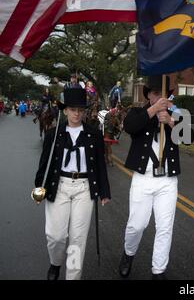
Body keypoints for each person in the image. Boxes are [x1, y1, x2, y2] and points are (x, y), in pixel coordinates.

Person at [34, 88, 111, 280]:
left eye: (80, 109)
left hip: (84, 188)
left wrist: (104, 191)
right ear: (65, 110)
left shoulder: (93, 134)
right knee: (56, 236)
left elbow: (101, 165)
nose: (77, 113)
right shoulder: (54, 134)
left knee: (77, 239)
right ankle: (55, 263)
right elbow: (44, 163)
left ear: (84, 111)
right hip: (58, 186)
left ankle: (72, 276)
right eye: (72, 109)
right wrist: (38, 186)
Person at [118, 75, 180, 280]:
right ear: (149, 96)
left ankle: (158, 270)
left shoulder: (176, 114)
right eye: (155, 94)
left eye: (163, 94)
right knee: (137, 224)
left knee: (164, 226)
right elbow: (130, 127)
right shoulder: (138, 112)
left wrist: (170, 122)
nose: (160, 97)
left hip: (167, 181)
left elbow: (189, 137)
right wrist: (153, 111)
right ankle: (128, 253)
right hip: (143, 178)